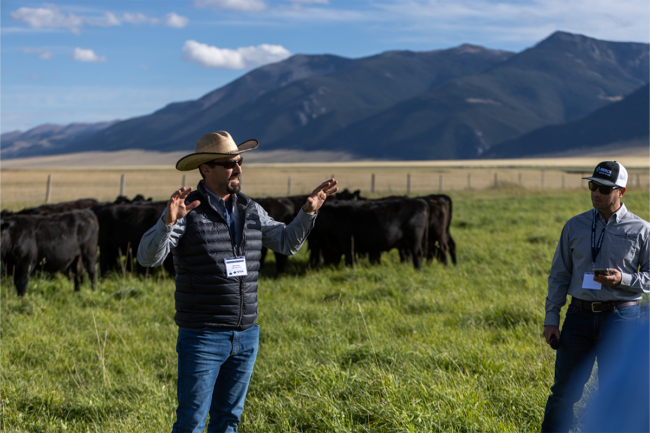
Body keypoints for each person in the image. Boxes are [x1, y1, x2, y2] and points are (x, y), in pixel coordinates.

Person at [137, 131, 338, 433]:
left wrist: (308, 213)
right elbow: (147, 258)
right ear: (206, 168)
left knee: (229, 420)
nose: (239, 169)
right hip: (203, 336)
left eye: (240, 161)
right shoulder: (187, 211)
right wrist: (167, 223)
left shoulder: (250, 208)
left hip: (246, 335)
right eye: (230, 163)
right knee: (191, 423)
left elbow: (285, 242)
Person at [541, 161, 649, 432]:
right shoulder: (574, 226)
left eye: (604, 188)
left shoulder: (642, 229)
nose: (596, 193)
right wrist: (551, 319)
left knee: (620, 397)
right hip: (578, 317)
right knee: (563, 393)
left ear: (621, 191)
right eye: (592, 186)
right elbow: (559, 276)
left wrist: (622, 279)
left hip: (622, 318)